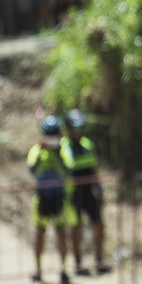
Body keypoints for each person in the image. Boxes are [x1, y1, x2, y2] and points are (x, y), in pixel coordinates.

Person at [60, 108, 109, 275]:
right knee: (76, 227)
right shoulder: (63, 146)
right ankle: (78, 262)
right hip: (73, 193)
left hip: (89, 190)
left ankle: (98, 259)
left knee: (99, 224)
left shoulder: (87, 144)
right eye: (76, 128)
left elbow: (94, 167)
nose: (79, 131)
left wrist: (99, 186)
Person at [28, 115, 75, 284]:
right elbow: (32, 170)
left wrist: (58, 154)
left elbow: (69, 170)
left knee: (61, 233)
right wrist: (42, 152)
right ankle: (37, 269)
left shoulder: (64, 150)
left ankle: (63, 269)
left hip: (58, 199)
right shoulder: (36, 149)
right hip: (41, 199)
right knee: (40, 233)